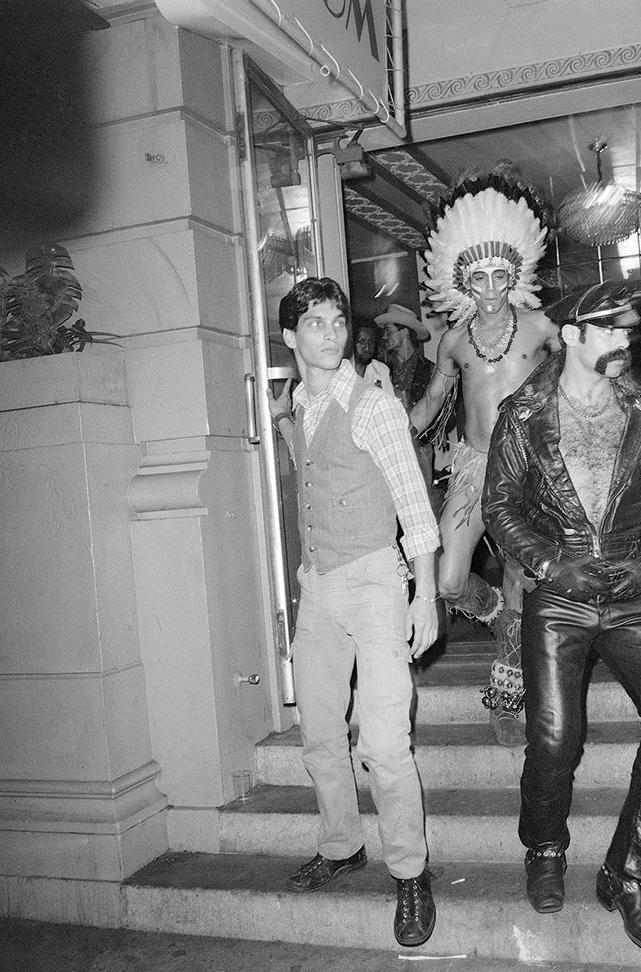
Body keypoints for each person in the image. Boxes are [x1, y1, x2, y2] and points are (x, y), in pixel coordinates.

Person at [481, 280, 641, 960]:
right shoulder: (522, 414)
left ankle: (630, 876)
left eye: (627, 328)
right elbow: (499, 507)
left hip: (631, 589)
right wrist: (552, 566)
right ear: (572, 335)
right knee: (555, 734)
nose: (625, 337)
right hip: (563, 588)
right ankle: (544, 847)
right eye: (610, 327)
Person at [268, 276, 439, 948]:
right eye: (315, 322)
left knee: (385, 745)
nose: (332, 333)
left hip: (374, 583)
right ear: (291, 336)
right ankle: (342, 846)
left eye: (338, 321)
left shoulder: (372, 406)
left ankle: (411, 870)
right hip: (319, 587)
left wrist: (424, 594)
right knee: (317, 736)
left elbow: (413, 505)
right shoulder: (294, 407)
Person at [410, 168, 561, 746]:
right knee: (448, 581)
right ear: (462, 284)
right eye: (480, 278)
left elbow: (582, 376)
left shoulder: (542, 326)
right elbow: (431, 401)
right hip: (474, 469)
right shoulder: (452, 341)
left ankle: (507, 698)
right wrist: (389, 430)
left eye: (502, 274)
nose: (493, 288)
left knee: (523, 579)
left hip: (529, 471)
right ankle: (500, 615)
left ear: (517, 273)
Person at [375, 303, 436, 498]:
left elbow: (444, 417)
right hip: (389, 454)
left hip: (420, 452)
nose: (384, 337)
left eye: (388, 331)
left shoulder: (429, 371)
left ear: (404, 333)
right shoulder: (382, 371)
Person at [352, 319, 393, 394]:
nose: (367, 348)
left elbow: (391, 402)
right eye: (362, 342)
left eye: (371, 342)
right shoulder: (339, 371)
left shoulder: (381, 371)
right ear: (352, 343)